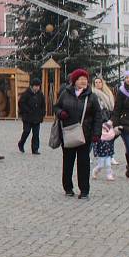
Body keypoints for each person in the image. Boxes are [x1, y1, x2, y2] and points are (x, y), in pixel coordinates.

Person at [54, 68, 102, 199]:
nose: (84, 81)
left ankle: (84, 190)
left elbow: (98, 115)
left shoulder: (91, 96)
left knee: (83, 164)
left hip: (85, 135)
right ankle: (68, 187)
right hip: (68, 133)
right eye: (81, 79)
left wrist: (97, 133)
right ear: (74, 81)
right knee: (68, 162)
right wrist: (60, 113)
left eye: (85, 79)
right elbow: (56, 107)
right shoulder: (65, 93)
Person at [91, 76, 117, 178]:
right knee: (102, 147)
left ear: (102, 83)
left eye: (99, 82)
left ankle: (107, 168)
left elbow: (112, 107)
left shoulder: (108, 94)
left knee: (109, 145)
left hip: (109, 123)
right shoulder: (93, 94)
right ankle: (101, 169)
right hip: (99, 124)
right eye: (96, 82)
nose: (97, 84)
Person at [17, 78, 46, 154]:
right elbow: (21, 103)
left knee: (36, 134)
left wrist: (42, 114)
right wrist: (27, 110)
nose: (37, 88)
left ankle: (35, 149)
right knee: (26, 131)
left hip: (37, 117)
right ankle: (21, 144)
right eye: (35, 86)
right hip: (27, 117)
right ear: (32, 86)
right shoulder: (26, 93)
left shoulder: (40, 94)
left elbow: (43, 105)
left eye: (38, 86)